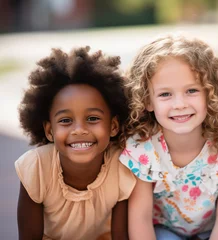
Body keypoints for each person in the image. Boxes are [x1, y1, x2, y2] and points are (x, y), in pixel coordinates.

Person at [119, 34, 218, 240]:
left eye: (191, 90)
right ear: (147, 100)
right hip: (164, 232)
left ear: (210, 94)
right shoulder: (142, 149)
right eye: (165, 94)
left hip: (213, 232)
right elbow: (140, 218)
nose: (180, 104)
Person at [15, 46, 136, 240]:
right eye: (65, 121)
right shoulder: (37, 167)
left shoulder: (121, 165)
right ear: (49, 131)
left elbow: (120, 236)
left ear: (113, 125)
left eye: (92, 118)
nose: (79, 129)